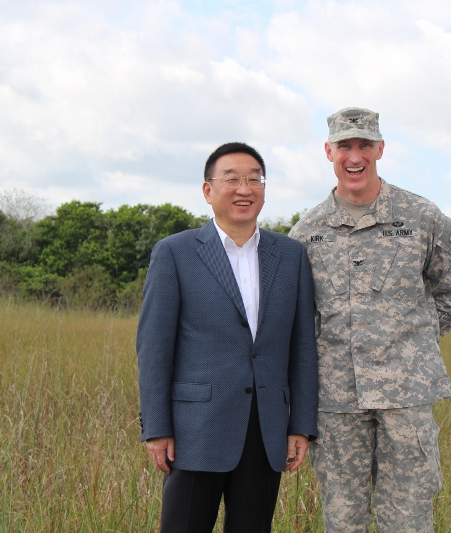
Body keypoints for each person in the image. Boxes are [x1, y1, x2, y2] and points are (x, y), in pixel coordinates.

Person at [288, 108, 451, 533]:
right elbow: (300, 318)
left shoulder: (422, 218)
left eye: (365, 145)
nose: (355, 157)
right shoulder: (308, 231)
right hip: (336, 403)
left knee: (408, 521)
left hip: (405, 397)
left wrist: (411, 342)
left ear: (381, 149)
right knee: (342, 521)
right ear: (328, 151)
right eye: (345, 146)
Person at [137, 142, 319, 533]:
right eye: (232, 179)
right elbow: (154, 349)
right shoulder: (176, 252)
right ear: (207, 191)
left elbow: (302, 347)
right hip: (194, 430)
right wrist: (157, 427)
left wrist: (300, 424)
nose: (245, 189)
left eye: (255, 179)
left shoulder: (290, 255)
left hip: (267, 429)